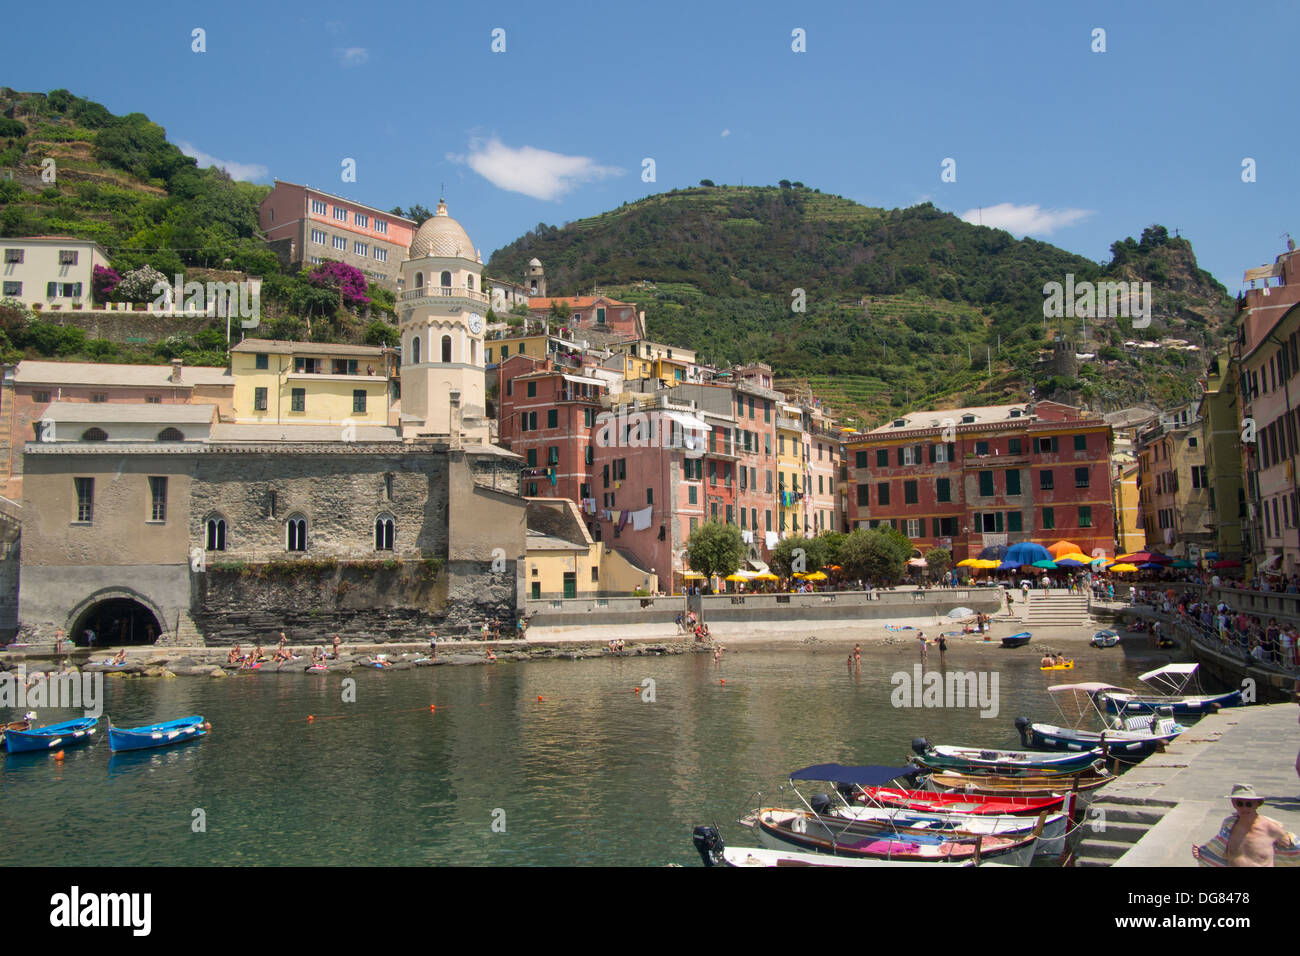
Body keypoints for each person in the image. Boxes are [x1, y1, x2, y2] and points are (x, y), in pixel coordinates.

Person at [1193, 784, 1299, 866]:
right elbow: (1220, 850)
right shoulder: (1229, 825)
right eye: (1240, 803)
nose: (1244, 808)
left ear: (1257, 804)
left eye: (1249, 804)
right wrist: (1202, 853)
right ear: (1233, 803)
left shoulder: (1271, 829)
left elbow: (1293, 850)